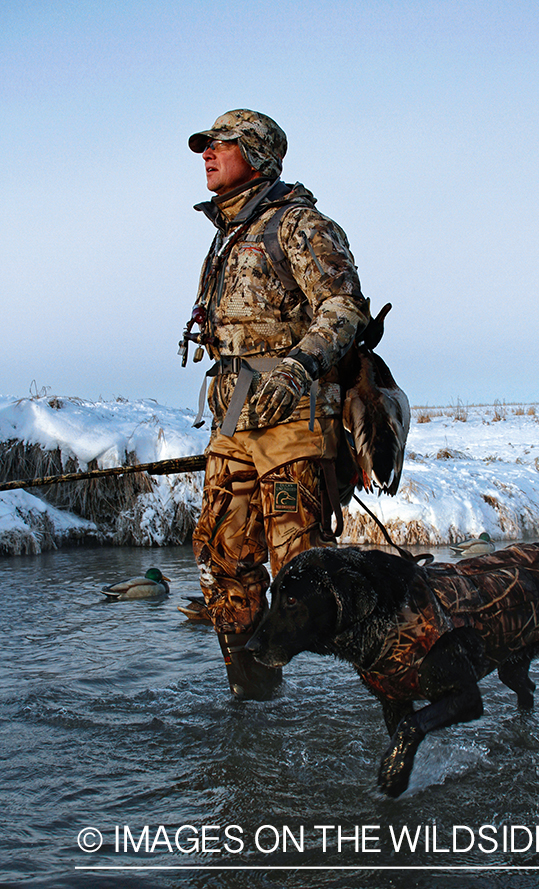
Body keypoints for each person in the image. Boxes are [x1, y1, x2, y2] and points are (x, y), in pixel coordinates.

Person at [182, 109, 369, 700]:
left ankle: (401, 667)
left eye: (221, 144)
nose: (208, 154)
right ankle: (252, 696)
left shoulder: (299, 226)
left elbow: (344, 310)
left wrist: (297, 367)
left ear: (257, 154)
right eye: (206, 146)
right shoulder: (227, 235)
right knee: (221, 555)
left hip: (292, 418)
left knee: (303, 569)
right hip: (233, 415)